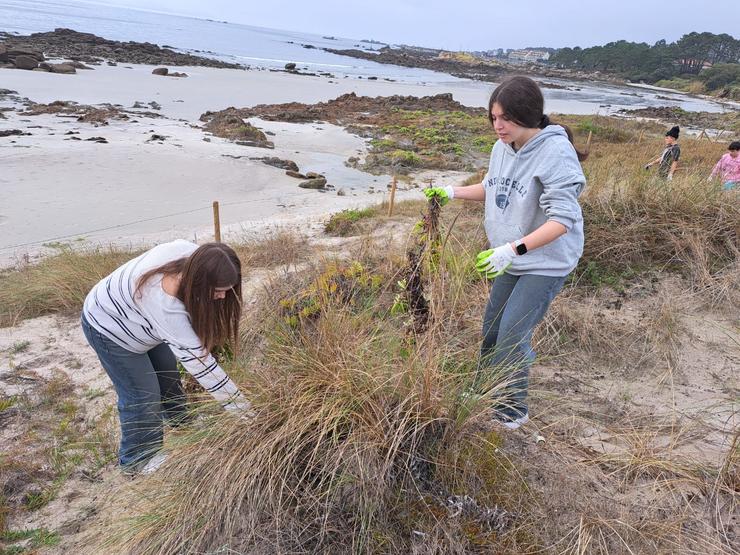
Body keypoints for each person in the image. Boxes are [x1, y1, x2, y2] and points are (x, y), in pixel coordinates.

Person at [424, 75, 587, 430]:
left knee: (513, 333)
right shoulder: (502, 146)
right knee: (492, 329)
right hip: (509, 255)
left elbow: (563, 220)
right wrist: (451, 192)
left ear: (528, 114)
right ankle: (485, 389)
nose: (498, 126)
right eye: (493, 118)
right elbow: (492, 186)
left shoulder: (556, 153)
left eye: (506, 118)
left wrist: (514, 249)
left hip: (545, 261)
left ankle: (513, 409)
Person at [81, 240, 250, 474]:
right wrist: (247, 415)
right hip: (109, 327)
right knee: (143, 394)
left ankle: (180, 421)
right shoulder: (164, 302)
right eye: (218, 290)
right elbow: (201, 366)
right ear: (199, 282)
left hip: (143, 321)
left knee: (167, 376)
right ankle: (137, 460)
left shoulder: (196, 258)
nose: (222, 297)